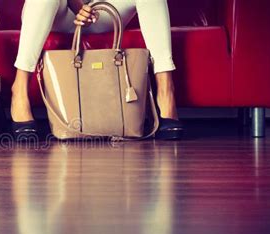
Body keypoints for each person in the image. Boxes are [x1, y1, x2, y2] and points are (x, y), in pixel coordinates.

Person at [10, 0, 184, 140]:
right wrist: (78, 6)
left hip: (100, 11)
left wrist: (90, 9)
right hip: (58, 11)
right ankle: (19, 90)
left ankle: (165, 91)